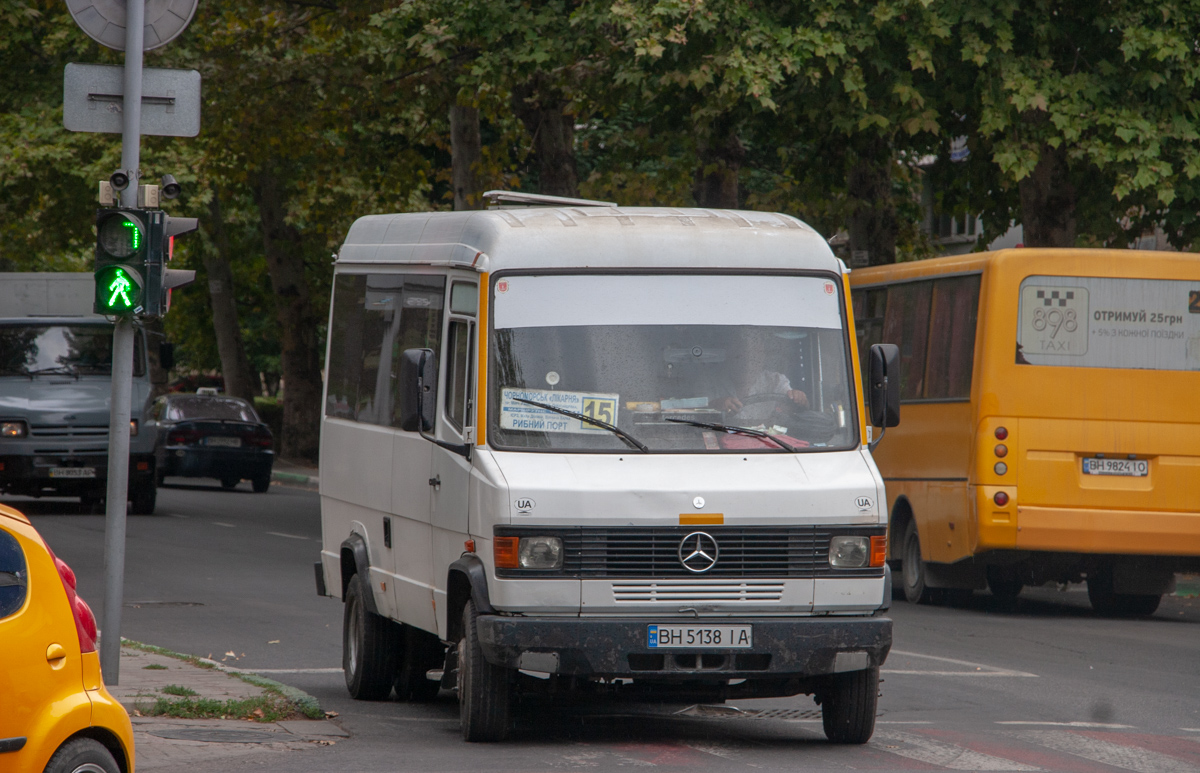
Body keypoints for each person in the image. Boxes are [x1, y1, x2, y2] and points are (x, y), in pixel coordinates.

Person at [717, 336, 808, 423]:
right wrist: (714, 406)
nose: (748, 361)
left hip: (767, 437)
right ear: (729, 356)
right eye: (740, 356)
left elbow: (797, 408)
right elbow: (703, 411)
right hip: (721, 436)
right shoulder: (712, 381)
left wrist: (799, 398)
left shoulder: (776, 381)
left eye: (754, 355)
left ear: (762, 357)